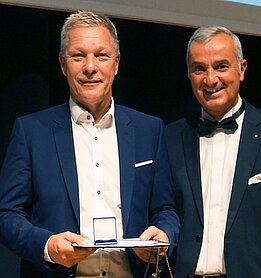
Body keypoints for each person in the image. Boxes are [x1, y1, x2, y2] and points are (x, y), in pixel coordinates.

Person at [0, 10, 180, 278]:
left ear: (116, 63)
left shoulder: (148, 129)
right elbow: (6, 215)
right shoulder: (31, 131)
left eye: (101, 55)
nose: (90, 67)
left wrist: (163, 234)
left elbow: (166, 208)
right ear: (62, 63)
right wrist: (48, 246)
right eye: (78, 55)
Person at [166, 25, 261, 278]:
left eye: (221, 66)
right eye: (199, 69)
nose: (210, 79)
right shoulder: (169, 138)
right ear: (188, 75)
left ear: (242, 69)